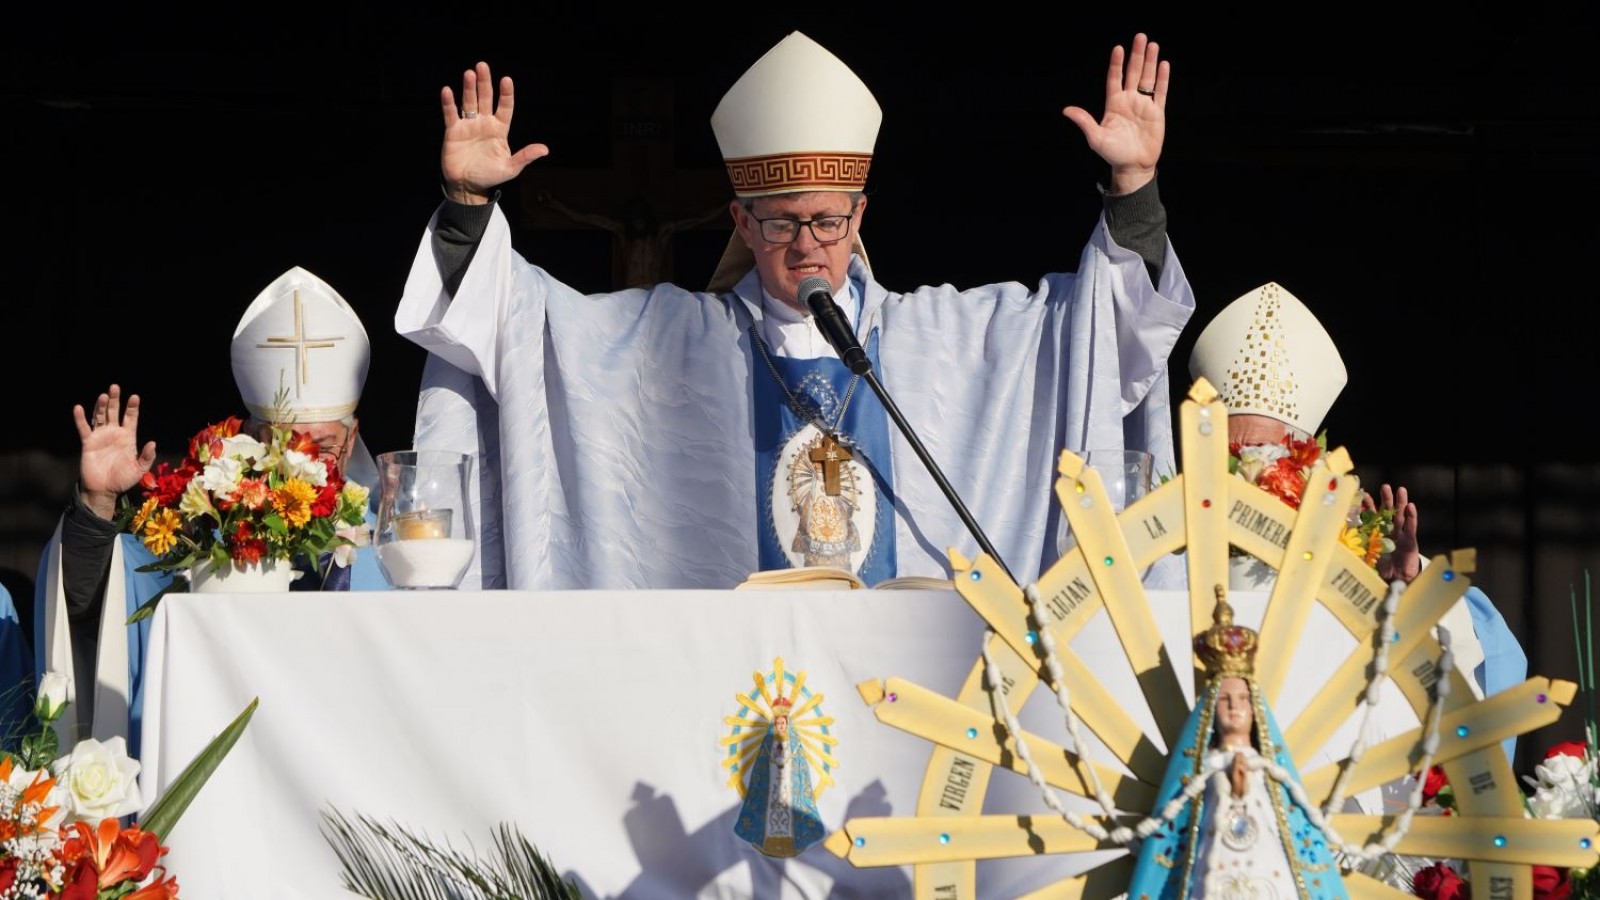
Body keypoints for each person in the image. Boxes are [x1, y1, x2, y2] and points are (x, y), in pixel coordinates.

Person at [396, 31, 1195, 591]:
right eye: (780, 222)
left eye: (827, 221)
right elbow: (520, 324)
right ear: (742, 222)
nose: (807, 245)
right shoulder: (672, 343)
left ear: (861, 215)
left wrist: (1133, 195)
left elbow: (1090, 329)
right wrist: (468, 203)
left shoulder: (940, 342)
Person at [33, 266, 386, 758]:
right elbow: (94, 606)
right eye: (281, 445)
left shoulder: (390, 555)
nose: (301, 467)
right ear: (247, 443)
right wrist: (97, 505)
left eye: (322, 447)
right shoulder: (197, 545)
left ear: (350, 444)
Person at [1187, 281, 1527, 753]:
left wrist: (1402, 588)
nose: (1249, 474)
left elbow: (1474, 658)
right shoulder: (1175, 542)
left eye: (1268, 456)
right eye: (1233, 454)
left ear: (1303, 462)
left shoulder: (1349, 546)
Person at [1128, 587, 1350, 900]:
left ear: (1255, 708)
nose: (1235, 708)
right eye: (1225, 700)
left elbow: (1292, 827)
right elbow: (1179, 825)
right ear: (1210, 710)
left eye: (1243, 699)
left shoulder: (1271, 771)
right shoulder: (1203, 770)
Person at [733, 696, 824, 858]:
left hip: (790, 787)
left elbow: (801, 768)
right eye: (777, 724)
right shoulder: (767, 743)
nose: (780, 726)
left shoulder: (795, 744)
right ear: (773, 725)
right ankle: (767, 841)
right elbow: (759, 770)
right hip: (771, 787)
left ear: (787, 724)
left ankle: (791, 843)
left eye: (783, 723)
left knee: (790, 813)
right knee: (770, 812)